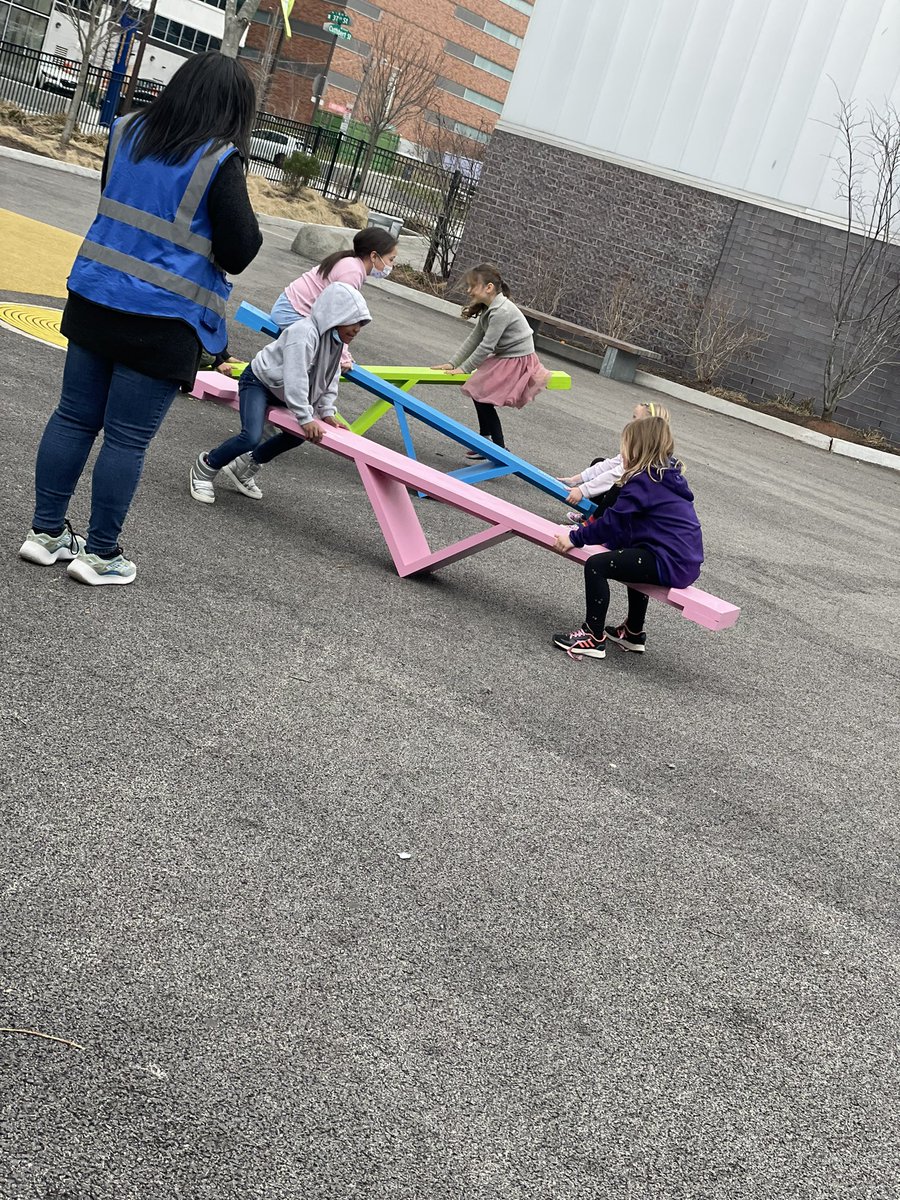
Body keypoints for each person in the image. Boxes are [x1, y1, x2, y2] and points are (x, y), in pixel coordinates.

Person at [18, 51, 262, 586]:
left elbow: (117, 198)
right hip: (161, 317)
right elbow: (241, 249)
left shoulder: (126, 130)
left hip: (94, 297)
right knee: (125, 439)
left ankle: (46, 534)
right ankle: (101, 553)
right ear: (232, 108)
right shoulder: (219, 160)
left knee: (74, 418)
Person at [189, 282, 370, 505]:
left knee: (296, 435)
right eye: (354, 322)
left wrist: (327, 412)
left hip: (283, 392)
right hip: (259, 382)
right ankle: (207, 465)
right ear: (336, 315)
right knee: (251, 436)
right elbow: (296, 376)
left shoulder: (336, 342)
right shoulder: (304, 333)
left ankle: (244, 466)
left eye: (361, 324)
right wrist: (305, 417)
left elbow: (329, 379)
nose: (357, 329)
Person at [551, 415, 704, 659]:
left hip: (669, 560)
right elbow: (629, 527)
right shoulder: (662, 476)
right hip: (680, 559)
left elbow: (612, 522)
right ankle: (633, 632)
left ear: (638, 448)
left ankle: (593, 636)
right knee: (630, 559)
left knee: (597, 566)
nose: (623, 452)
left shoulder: (644, 481)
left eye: (626, 446)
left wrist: (575, 538)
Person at [431, 264, 551, 459]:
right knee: (479, 394)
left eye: (472, 286)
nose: (469, 290)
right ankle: (484, 440)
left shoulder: (501, 311)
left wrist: (465, 368)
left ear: (488, 288)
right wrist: (453, 363)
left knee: (483, 396)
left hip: (517, 359)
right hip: (507, 355)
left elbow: (487, 346)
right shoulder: (490, 309)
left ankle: (499, 448)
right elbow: (474, 338)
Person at [560, 401, 671, 522]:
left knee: (619, 484)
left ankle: (593, 524)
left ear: (647, 425)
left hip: (641, 512)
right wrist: (576, 480)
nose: (631, 422)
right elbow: (610, 464)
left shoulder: (646, 454)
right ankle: (593, 515)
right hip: (634, 499)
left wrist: (583, 490)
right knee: (599, 462)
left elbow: (616, 475)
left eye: (635, 418)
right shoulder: (637, 446)